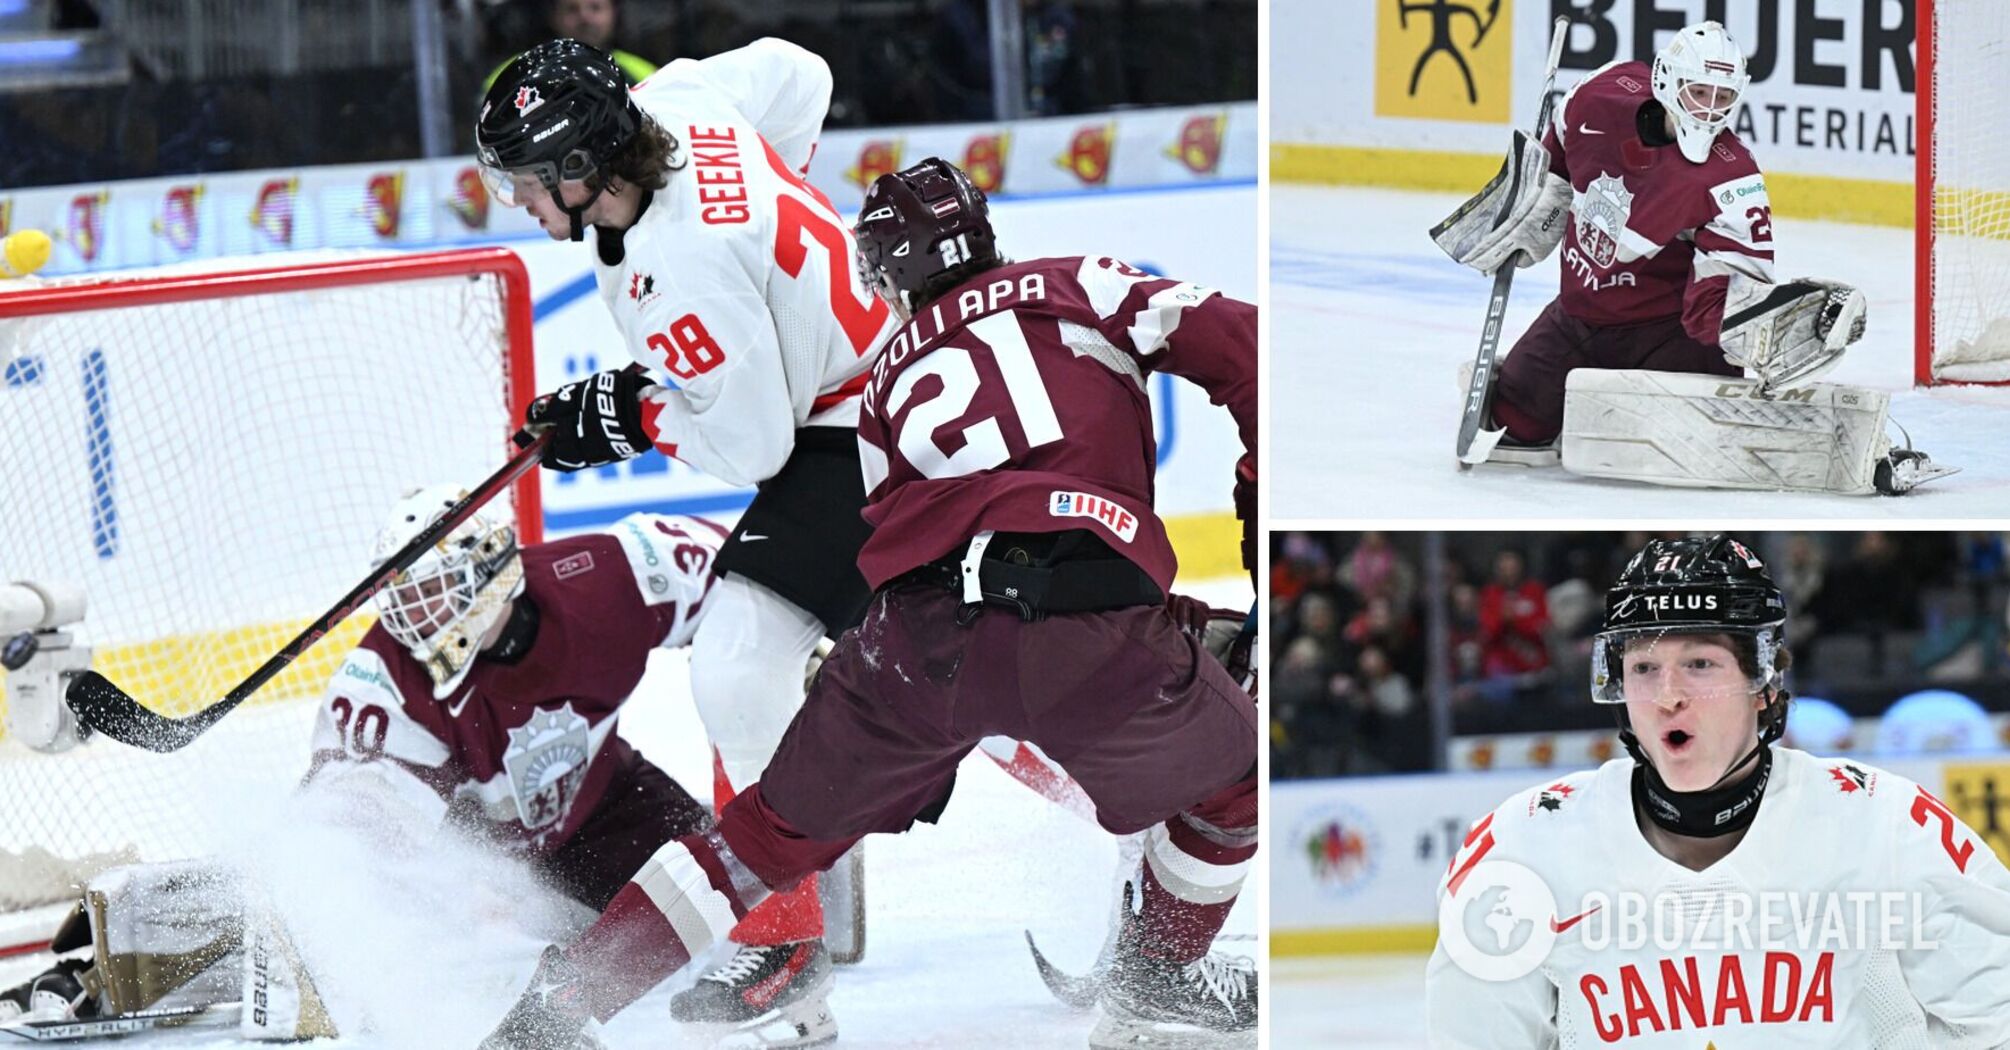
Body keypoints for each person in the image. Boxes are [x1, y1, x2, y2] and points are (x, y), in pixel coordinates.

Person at [479, 156, 1259, 1049]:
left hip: (916, 646)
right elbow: (1248, 351)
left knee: (755, 843)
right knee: (1237, 786)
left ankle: (553, 1013)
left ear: (887, 275)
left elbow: (909, 556)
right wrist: (1253, 542)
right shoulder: (1081, 282)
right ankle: (1161, 974)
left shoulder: (887, 380)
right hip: (1092, 623)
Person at [475, 36, 899, 1042]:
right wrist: (775, 222)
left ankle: (786, 939)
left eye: (528, 184)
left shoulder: (678, 268)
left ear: (580, 171)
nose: (521, 205)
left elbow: (753, 445)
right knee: (941, 661)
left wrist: (628, 418)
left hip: (867, 431)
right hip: (886, 379)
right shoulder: (683, 98)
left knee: (738, 670)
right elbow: (806, 72)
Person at [0, 488, 730, 1037]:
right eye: (402, 601)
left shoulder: (605, 578)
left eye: (433, 593)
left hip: (597, 800)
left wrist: (798, 655)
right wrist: (333, 892)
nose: (415, 620)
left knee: (733, 880)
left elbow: (742, 582)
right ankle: (132, 941)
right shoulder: (386, 683)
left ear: (492, 569)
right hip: (457, 851)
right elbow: (341, 839)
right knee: (333, 919)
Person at [1424, 534, 2010, 1045]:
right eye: (1643, 668)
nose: (1668, 695)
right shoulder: (1527, 846)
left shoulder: (1886, 826)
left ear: (1764, 686)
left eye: (1700, 664)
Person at [1432, 22, 1945, 495]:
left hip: (1669, 335)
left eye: (1723, 98)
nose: (1709, 109)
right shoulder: (1597, 96)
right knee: (1516, 424)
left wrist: (1763, 325)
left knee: (1710, 447)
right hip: (1578, 315)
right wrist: (1535, 199)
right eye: (1698, 93)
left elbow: (1718, 296)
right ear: (1665, 81)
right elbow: (1559, 150)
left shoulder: (1732, 179)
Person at [485, 0, 657, 91]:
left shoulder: (647, 75)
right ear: (554, 17)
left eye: (595, 8)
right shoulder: (513, 74)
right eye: (572, 9)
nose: (585, 18)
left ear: (613, 14)